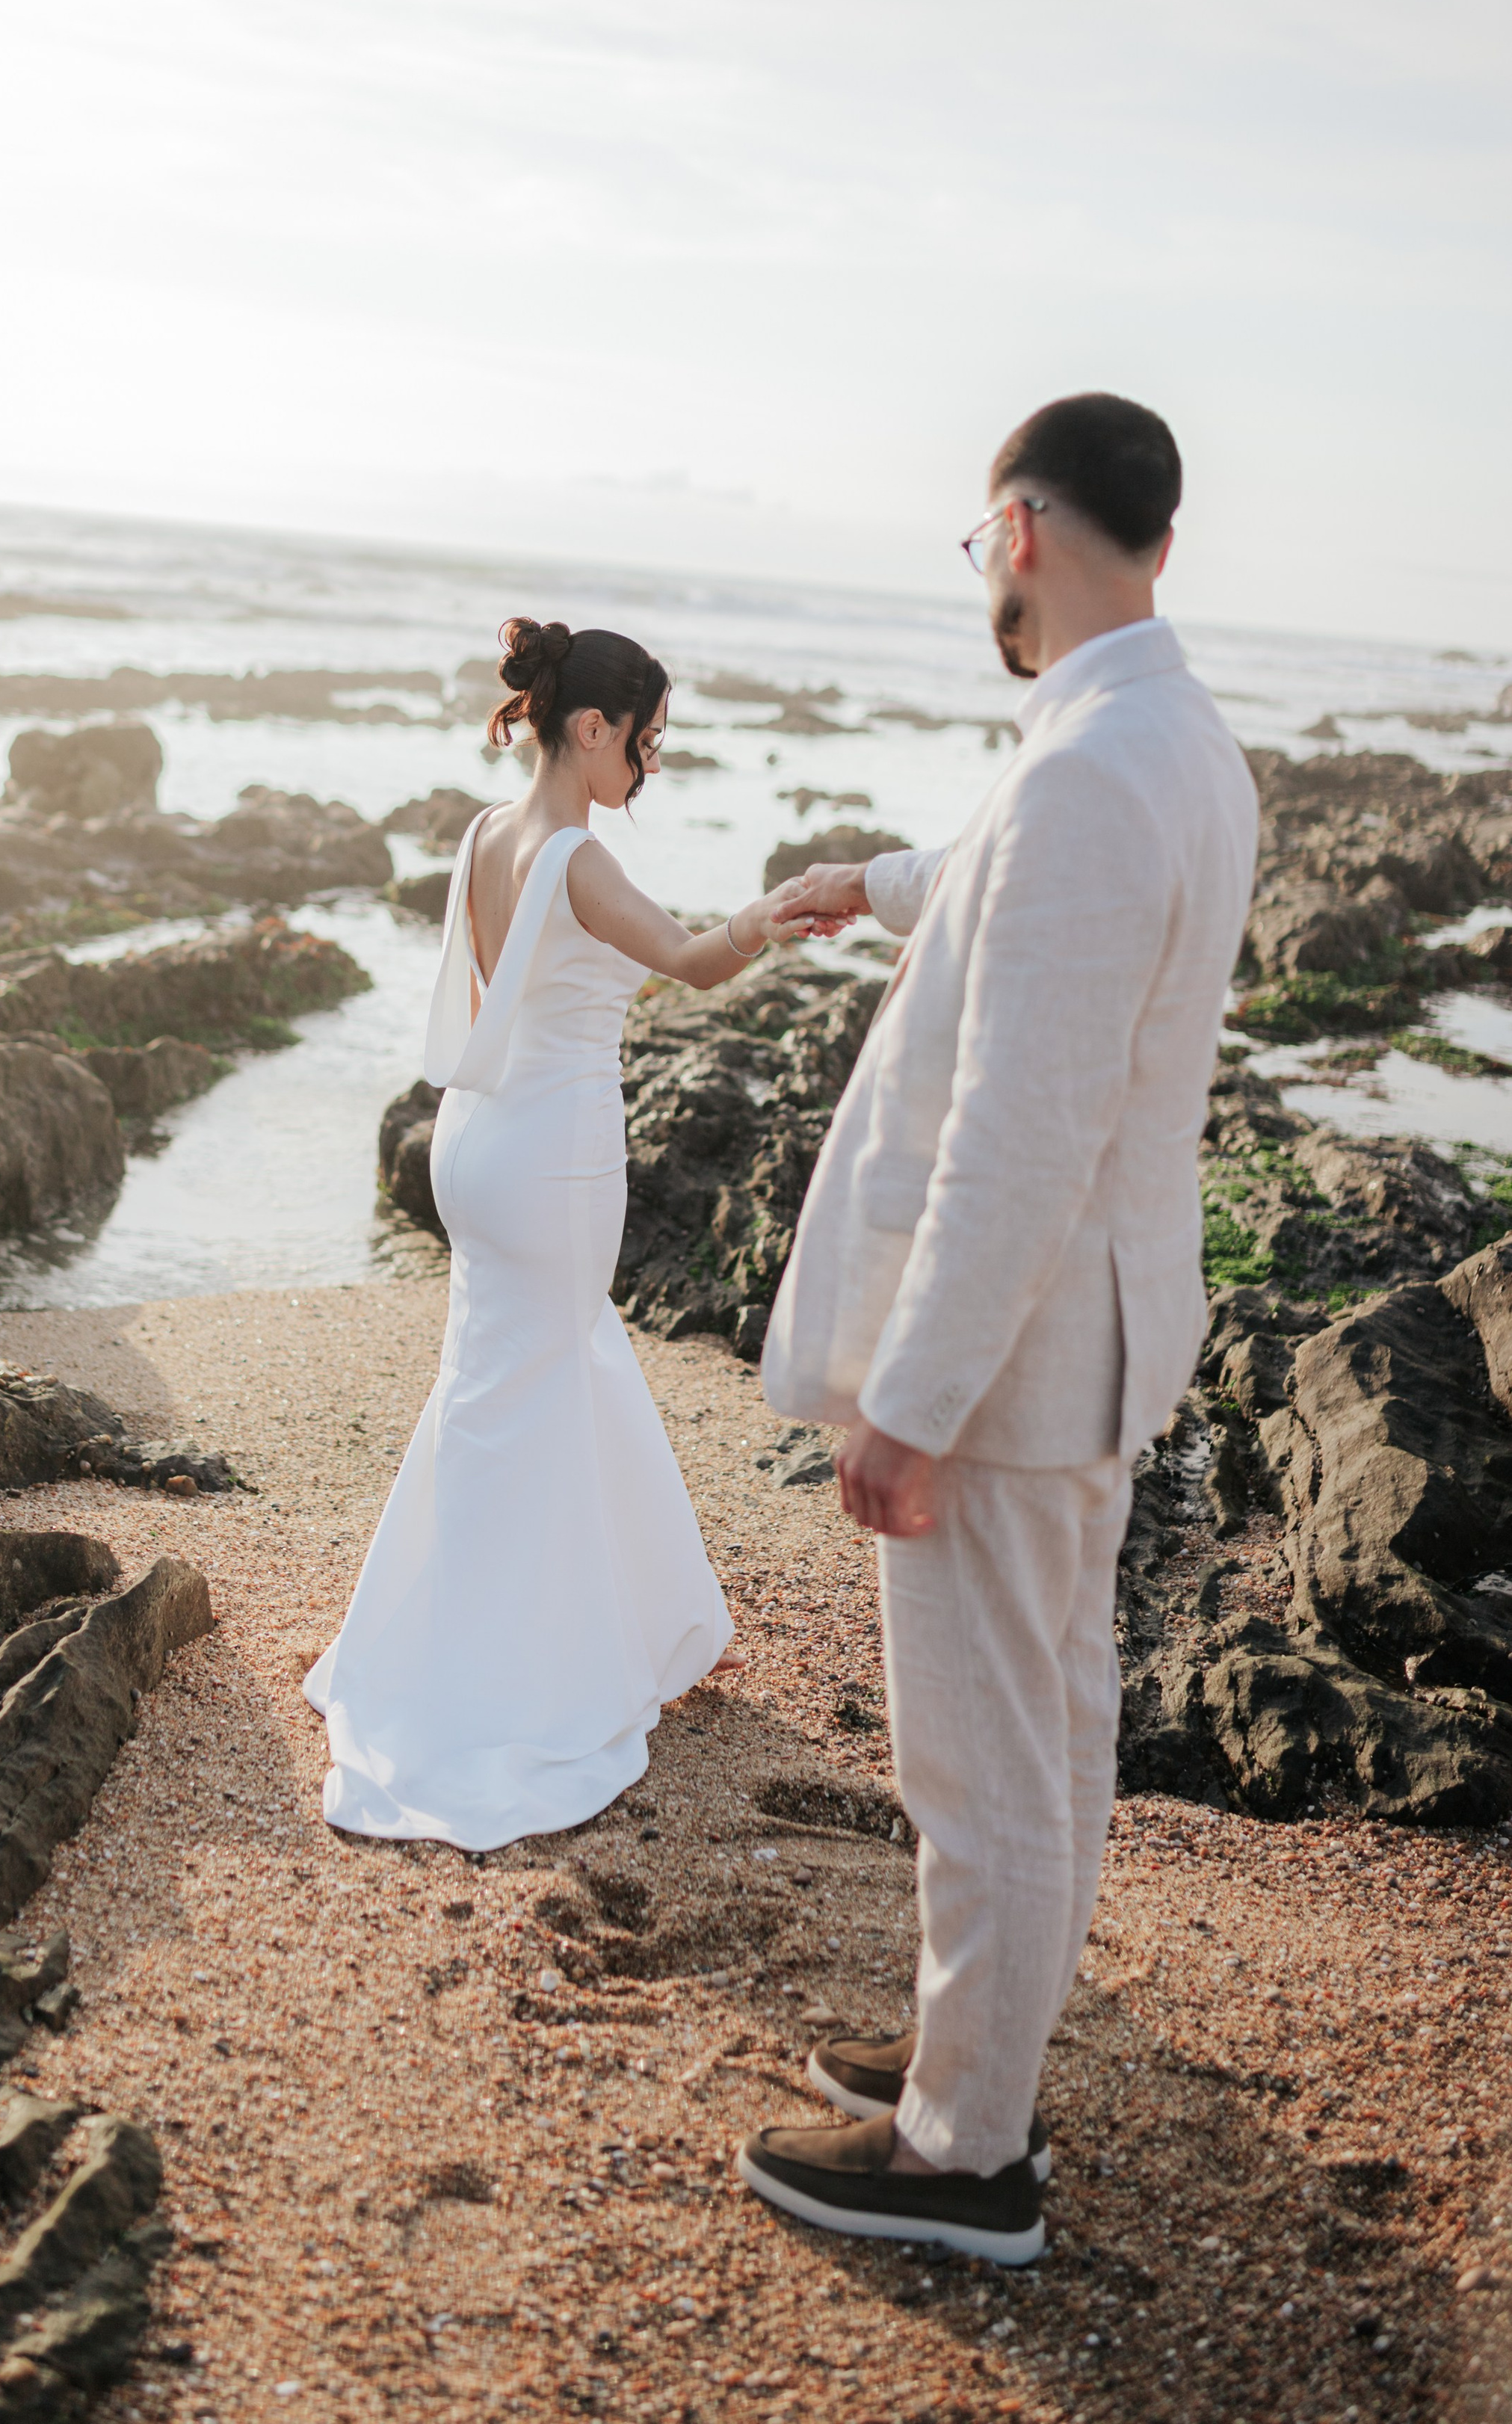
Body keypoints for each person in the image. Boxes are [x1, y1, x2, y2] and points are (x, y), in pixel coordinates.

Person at [735, 392, 1258, 2266]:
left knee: (982, 1762)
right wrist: (863, 883)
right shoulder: (1169, 745)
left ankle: (969, 2158)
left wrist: (909, 1400)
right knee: (1050, 1730)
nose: (987, 585)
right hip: (1094, 1348)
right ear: (1161, 545)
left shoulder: (1091, 771)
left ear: (1021, 531)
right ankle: (979, 2059)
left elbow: (1016, 1135)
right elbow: (1015, 914)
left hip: (1015, 1372)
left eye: (981, 550)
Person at [305, 617, 801, 1851]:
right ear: (593, 730)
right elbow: (691, 963)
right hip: (552, 1162)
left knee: (511, 1382)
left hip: (472, 1143)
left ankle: (597, 1625)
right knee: (527, 1396)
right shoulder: (575, 859)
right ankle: (493, 1682)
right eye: (647, 743)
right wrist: (777, 912)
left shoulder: (484, 834)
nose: (649, 768)